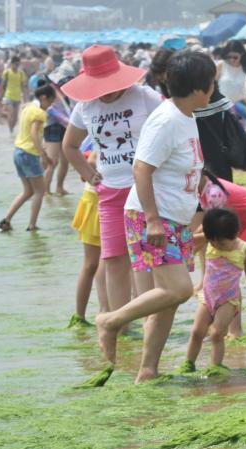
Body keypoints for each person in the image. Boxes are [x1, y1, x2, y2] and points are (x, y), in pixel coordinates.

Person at [95, 50, 216, 384]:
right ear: (199, 87)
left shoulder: (186, 115)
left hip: (172, 218)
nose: (213, 88)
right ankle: (111, 321)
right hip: (152, 217)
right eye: (211, 82)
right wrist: (152, 220)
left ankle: (147, 371)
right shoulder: (166, 120)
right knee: (178, 289)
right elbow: (141, 169)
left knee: (169, 300)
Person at [62, 45, 163, 315]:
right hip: (109, 192)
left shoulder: (144, 97)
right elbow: (69, 146)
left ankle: (149, 320)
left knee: (145, 258)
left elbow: (169, 128)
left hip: (144, 188)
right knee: (114, 259)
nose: (109, 90)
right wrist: (88, 173)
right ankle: (119, 322)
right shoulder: (85, 107)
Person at [194, 173, 246, 339]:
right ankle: (226, 326)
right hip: (238, 222)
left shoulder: (214, 193)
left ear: (197, 173)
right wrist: (192, 241)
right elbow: (208, 224)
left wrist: (191, 242)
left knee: (230, 272)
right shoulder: (203, 189)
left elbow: (212, 231)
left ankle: (235, 331)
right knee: (226, 273)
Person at [181, 208, 246, 373]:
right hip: (207, 297)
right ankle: (189, 364)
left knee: (217, 333)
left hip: (228, 299)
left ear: (235, 234)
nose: (218, 246)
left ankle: (216, 367)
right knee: (197, 331)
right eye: (213, 242)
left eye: (223, 243)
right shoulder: (210, 241)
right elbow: (187, 248)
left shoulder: (243, 248)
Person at [0, 82, 56, 232]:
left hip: (18, 152)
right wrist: (43, 155)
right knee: (40, 191)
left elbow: (28, 134)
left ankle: (6, 220)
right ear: (43, 98)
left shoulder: (27, 108)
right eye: (50, 101)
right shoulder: (39, 113)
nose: (50, 105)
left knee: (28, 191)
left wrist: (42, 152)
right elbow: (33, 134)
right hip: (29, 154)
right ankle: (32, 225)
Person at [70, 148, 109, 328]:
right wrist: (97, 179)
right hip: (98, 199)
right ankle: (99, 312)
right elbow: (92, 160)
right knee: (97, 261)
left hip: (97, 197)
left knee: (94, 263)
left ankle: (88, 314)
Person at [43, 81, 71, 195]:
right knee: (53, 162)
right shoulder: (51, 89)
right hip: (52, 127)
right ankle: (45, 191)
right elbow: (50, 110)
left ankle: (59, 187)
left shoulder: (67, 92)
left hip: (65, 127)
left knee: (65, 161)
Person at [216, 40, 246, 107]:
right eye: (229, 57)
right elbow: (212, 85)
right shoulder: (221, 65)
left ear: (241, 54)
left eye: (235, 57)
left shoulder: (244, 67)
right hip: (222, 105)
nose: (231, 60)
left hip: (239, 105)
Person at [1, 56, 27, 134]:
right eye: (15, 64)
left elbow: (22, 85)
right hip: (8, 95)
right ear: (11, 64)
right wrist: (1, 96)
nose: (16, 66)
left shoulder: (21, 73)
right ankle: (10, 130)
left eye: (18, 64)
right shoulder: (6, 73)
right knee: (10, 114)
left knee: (15, 118)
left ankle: (12, 129)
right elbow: (3, 85)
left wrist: (24, 96)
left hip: (17, 97)